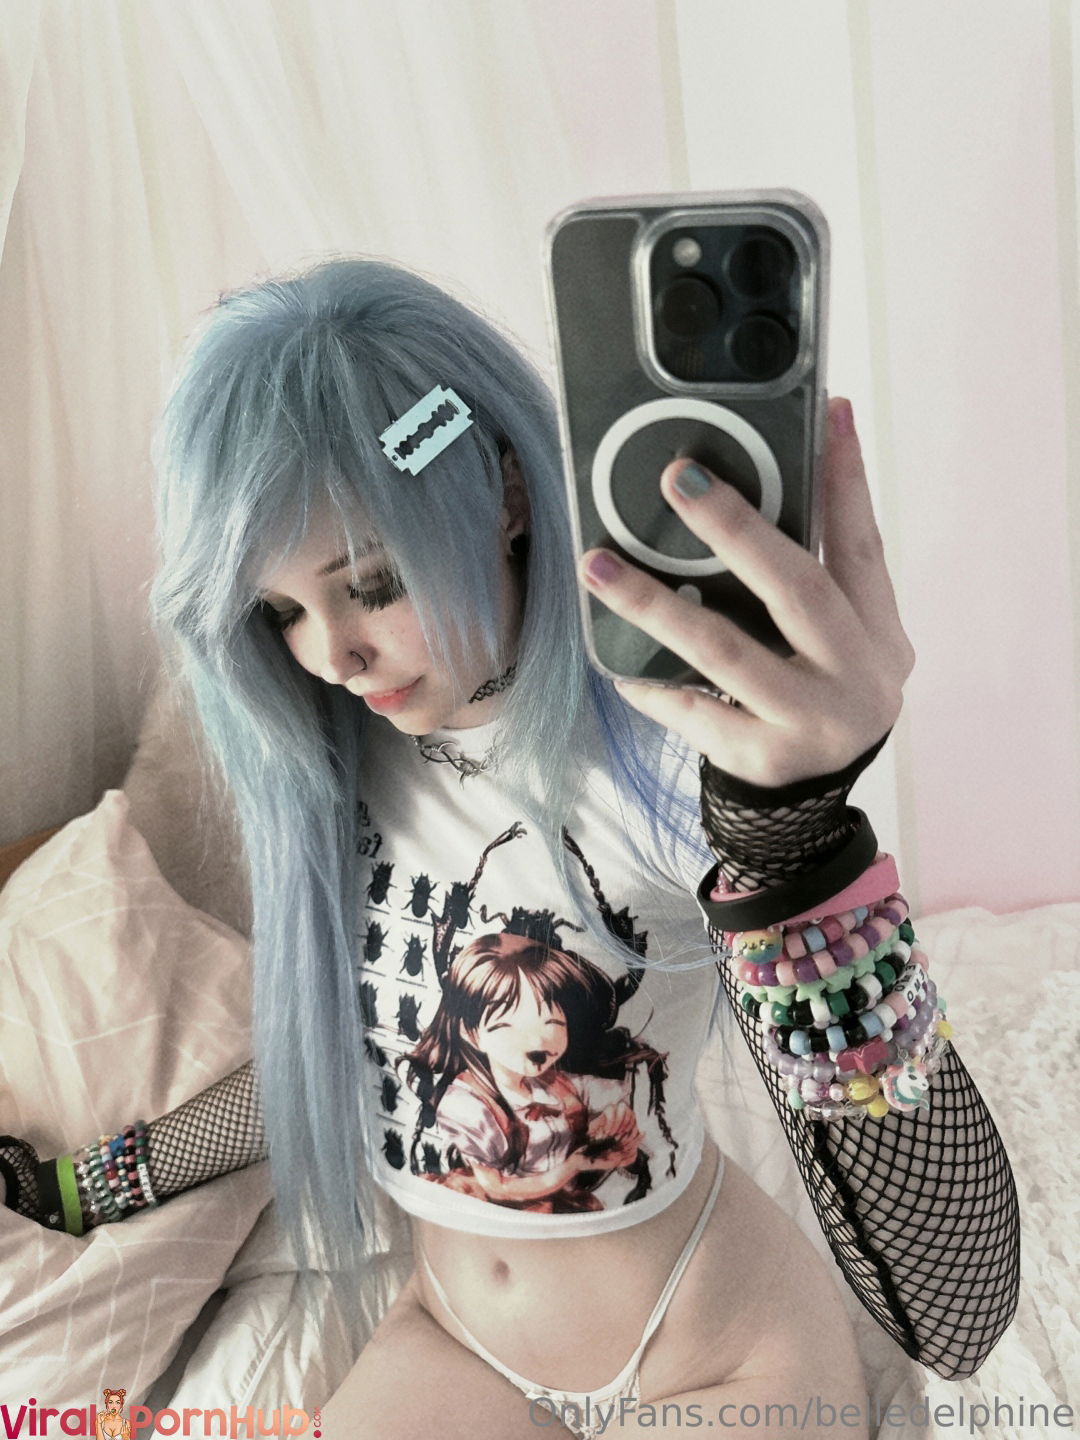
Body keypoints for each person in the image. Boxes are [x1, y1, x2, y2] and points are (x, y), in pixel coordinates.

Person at [1, 258, 1018, 1438]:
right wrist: (98, 1182)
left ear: (505, 495)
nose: (330, 655)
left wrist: (802, 852)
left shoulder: (665, 761)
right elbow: (341, 1051)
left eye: (372, 583)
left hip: (715, 1353)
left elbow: (957, 1301)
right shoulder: (335, 761)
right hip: (455, 1340)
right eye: (278, 612)